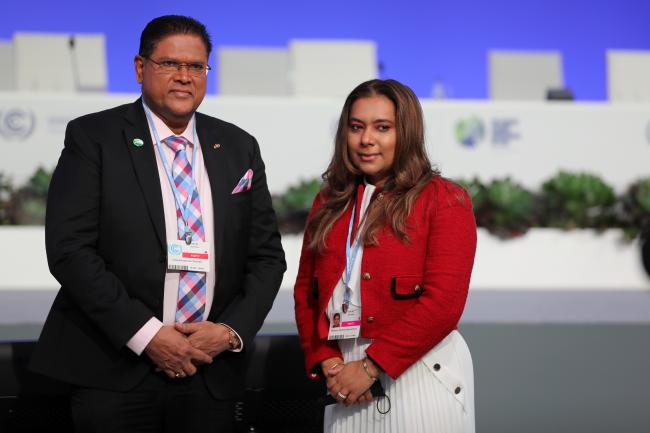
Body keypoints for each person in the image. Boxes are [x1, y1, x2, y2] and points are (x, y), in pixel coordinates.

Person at [29, 15, 286, 433]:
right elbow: (69, 249)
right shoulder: (94, 137)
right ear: (139, 68)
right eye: (170, 64)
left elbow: (267, 258)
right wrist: (147, 335)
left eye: (196, 67)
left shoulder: (238, 145)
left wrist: (228, 331)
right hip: (115, 372)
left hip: (209, 371)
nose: (184, 77)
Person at [294, 79, 477, 433]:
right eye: (356, 127)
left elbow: (444, 304)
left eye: (383, 128)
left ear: (406, 132)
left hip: (422, 370)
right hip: (344, 378)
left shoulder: (444, 199)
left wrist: (371, 367)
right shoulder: (329, 201)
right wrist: (327, 359)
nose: (366, 140)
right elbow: (306, 292)